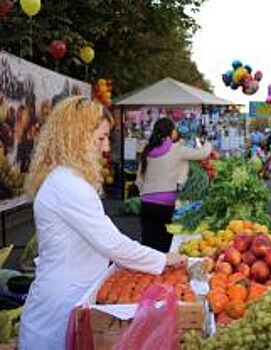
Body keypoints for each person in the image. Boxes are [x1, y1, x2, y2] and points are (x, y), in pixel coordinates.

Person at [20, 96, 186, 349]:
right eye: (101, 138)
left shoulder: (67, 180)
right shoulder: (68, 185)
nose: (107, 148)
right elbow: (111, 243)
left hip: (68, 300)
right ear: (76, 137)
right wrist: (162, 259)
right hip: (58, 311)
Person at [137, 117, 212, 252]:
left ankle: (147, 271)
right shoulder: (177, 149)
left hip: (146, 204)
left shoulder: (147, 151)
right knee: (164, 246)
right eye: (175, 129)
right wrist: (206, 142)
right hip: (166, 205)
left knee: (148, 245)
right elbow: (203, 153)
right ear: (171, 132)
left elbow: (139, 180)